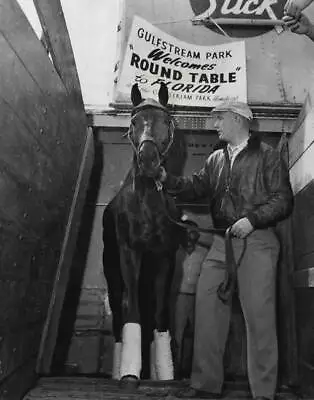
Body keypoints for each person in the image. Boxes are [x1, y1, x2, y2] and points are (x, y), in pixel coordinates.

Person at [158, 101, 294, 400]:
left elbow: (283, 200)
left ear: (237, 119)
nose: (214, 125)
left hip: (257, 240)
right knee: (207, 309)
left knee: (259, 318)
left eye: (219, 119)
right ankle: (205, 384)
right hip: (221, 243)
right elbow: (195, 187)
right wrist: (167, 180)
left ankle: (264, 393)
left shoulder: (268, 156)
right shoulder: (216, 159)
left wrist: (252, 219)